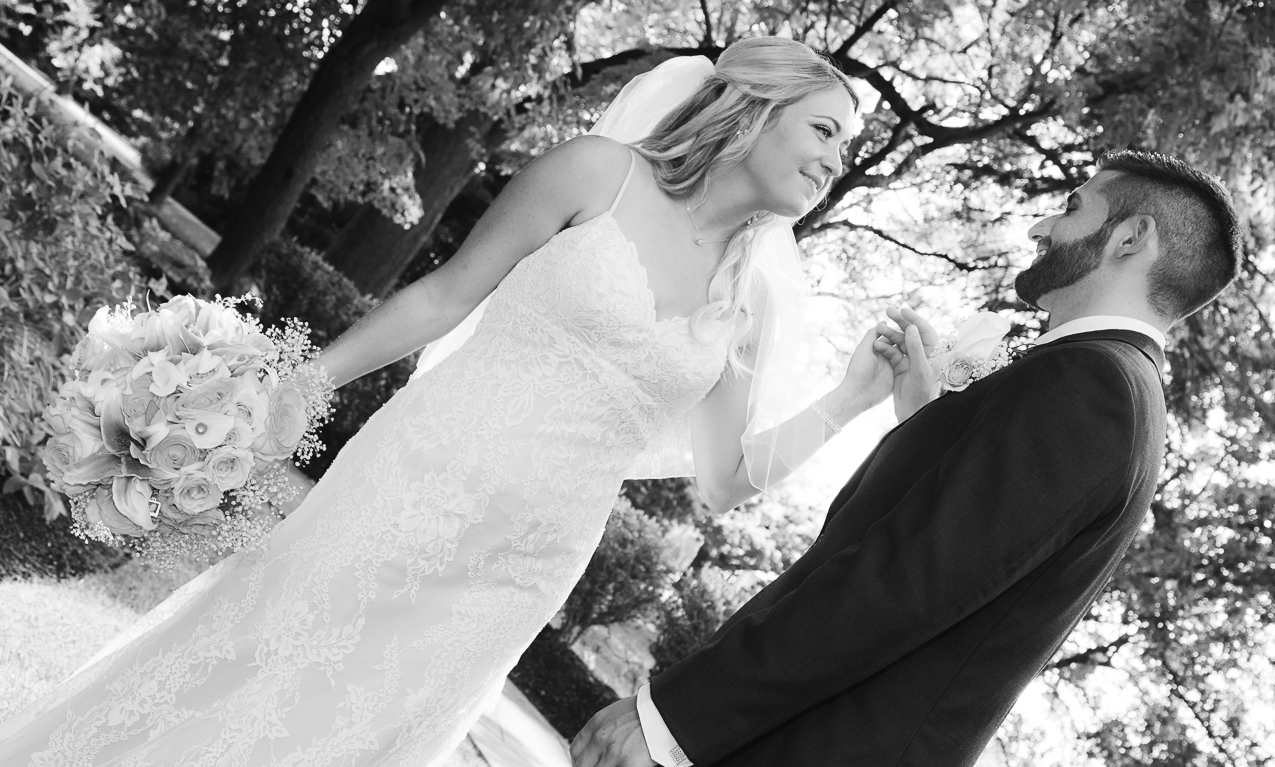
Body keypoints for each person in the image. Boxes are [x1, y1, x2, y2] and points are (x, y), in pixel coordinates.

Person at [0, 39, 904, 766]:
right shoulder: (595, 171)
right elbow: (443, 296)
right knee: (261, 662)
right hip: (420, 476)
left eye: (844, 146)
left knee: (364, 733)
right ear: (756, 109)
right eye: (825, 131)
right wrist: (297, 385)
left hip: (525, 563)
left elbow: (726, 479)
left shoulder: (744, 297)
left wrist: (854, 394)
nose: (835, 158)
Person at [570, 149, 1244, 767]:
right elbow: (959, 557)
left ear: (1130, 239)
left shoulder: (1091, 387)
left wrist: (676, 718)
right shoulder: (1109, 387)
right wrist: (926, 418)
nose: (1041, 225)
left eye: (1071, 207)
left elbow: (897, 584)